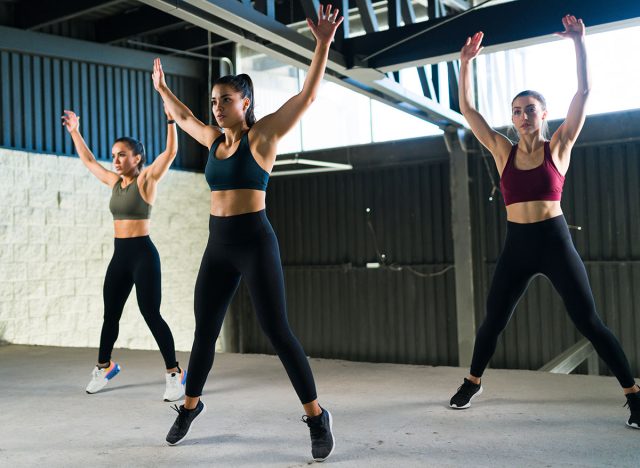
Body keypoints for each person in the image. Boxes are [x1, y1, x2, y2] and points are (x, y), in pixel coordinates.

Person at [152, 3, 343, 460]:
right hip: (218, 245)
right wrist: (163, 90)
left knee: (278, 331)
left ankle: (317, 416)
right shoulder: (215, 141)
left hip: (255, 242)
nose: (217, 108)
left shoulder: (263, 138)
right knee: (204, 331)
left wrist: (321, 45)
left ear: (246, 103)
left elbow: (306, 99)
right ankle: (191, 406)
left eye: (226, 100)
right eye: (214, 101)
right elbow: (184, 119)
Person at [449, 15, 639, 429]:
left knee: (589, 320)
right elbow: (466, 109)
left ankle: (634, 394)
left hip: (554, 241)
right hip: (517, 244)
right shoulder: (503, 150)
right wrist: (465, 64)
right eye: (516, 111)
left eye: (529, 109)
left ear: (543, 113)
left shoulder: (561, 146)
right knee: (493, 320)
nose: (522, 116)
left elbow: (584, 91)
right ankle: (472, 381)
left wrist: (579, 42)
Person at [61, 106, 186, 402]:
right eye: (114, 155)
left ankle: (175, 373)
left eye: (122, 155)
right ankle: (105, 367)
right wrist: (75, 131)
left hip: (143, 254)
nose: (116, 160)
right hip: (120, 256)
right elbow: (89, 160)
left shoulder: (146, 181)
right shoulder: (113, 182)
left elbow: (169, 153)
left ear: (137, 158)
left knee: (150, 313)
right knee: (110, 316)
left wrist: (170, 118)